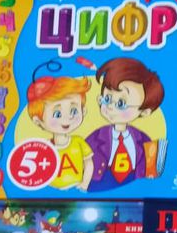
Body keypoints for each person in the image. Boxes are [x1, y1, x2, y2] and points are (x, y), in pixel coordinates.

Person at [86, 57, 164, 191]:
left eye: (121, 103)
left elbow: (148, 170)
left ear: (144, 111)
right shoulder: (96, 137)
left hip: (134, 186)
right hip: (100, 185)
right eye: (107, 98)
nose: (110, 106)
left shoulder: (143, 139)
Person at [27, 74, 93, 190]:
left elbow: (88, 164)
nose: (67, 118)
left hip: (76, 189)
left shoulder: (78, 142)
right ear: (38, 121)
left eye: (74, 110)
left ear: (83, 111)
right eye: (57, 114)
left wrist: (85, 184)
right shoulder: (43, 148)